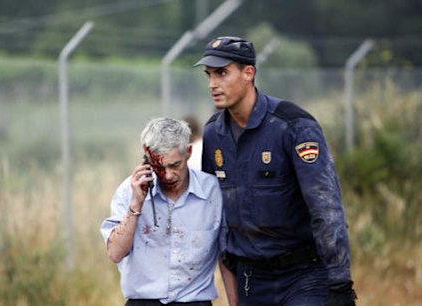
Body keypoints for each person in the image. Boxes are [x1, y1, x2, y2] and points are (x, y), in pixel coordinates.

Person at [194, 36, 357, 306]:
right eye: (209, 75)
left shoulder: (292, 125)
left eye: (222, 73)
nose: (213, 84)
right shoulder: (213, 133)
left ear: (249, 73)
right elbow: (218, 218)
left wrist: (340, 281)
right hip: (252, 279)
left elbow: (325, 207)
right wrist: (232, 288)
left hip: (303, 274)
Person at [100, 117, 225, 306]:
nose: (167, 175)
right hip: (143, 301)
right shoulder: (129, 191)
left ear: (189, 152)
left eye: (175, 165)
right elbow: (115, 253)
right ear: (147, 159)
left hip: (194, 301)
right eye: (159, 167)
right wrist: (136, 204)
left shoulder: (212, 192)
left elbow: (228, 256)